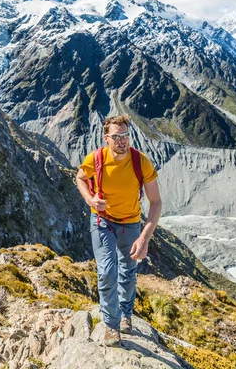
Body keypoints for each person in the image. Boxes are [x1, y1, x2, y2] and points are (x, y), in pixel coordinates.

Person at [76, 114, 162, 347]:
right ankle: (112, 326)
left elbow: (156, 202)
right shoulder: (96, 159)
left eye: (125, 136)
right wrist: (91, 201)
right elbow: (80, 178)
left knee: (128, 270)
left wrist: (145, 238)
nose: (122, 141)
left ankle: (126, 314)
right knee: (106, 271)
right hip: (102, 220)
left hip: (131, 222)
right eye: (116, 137)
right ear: (106, 138)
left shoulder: (140, 161)